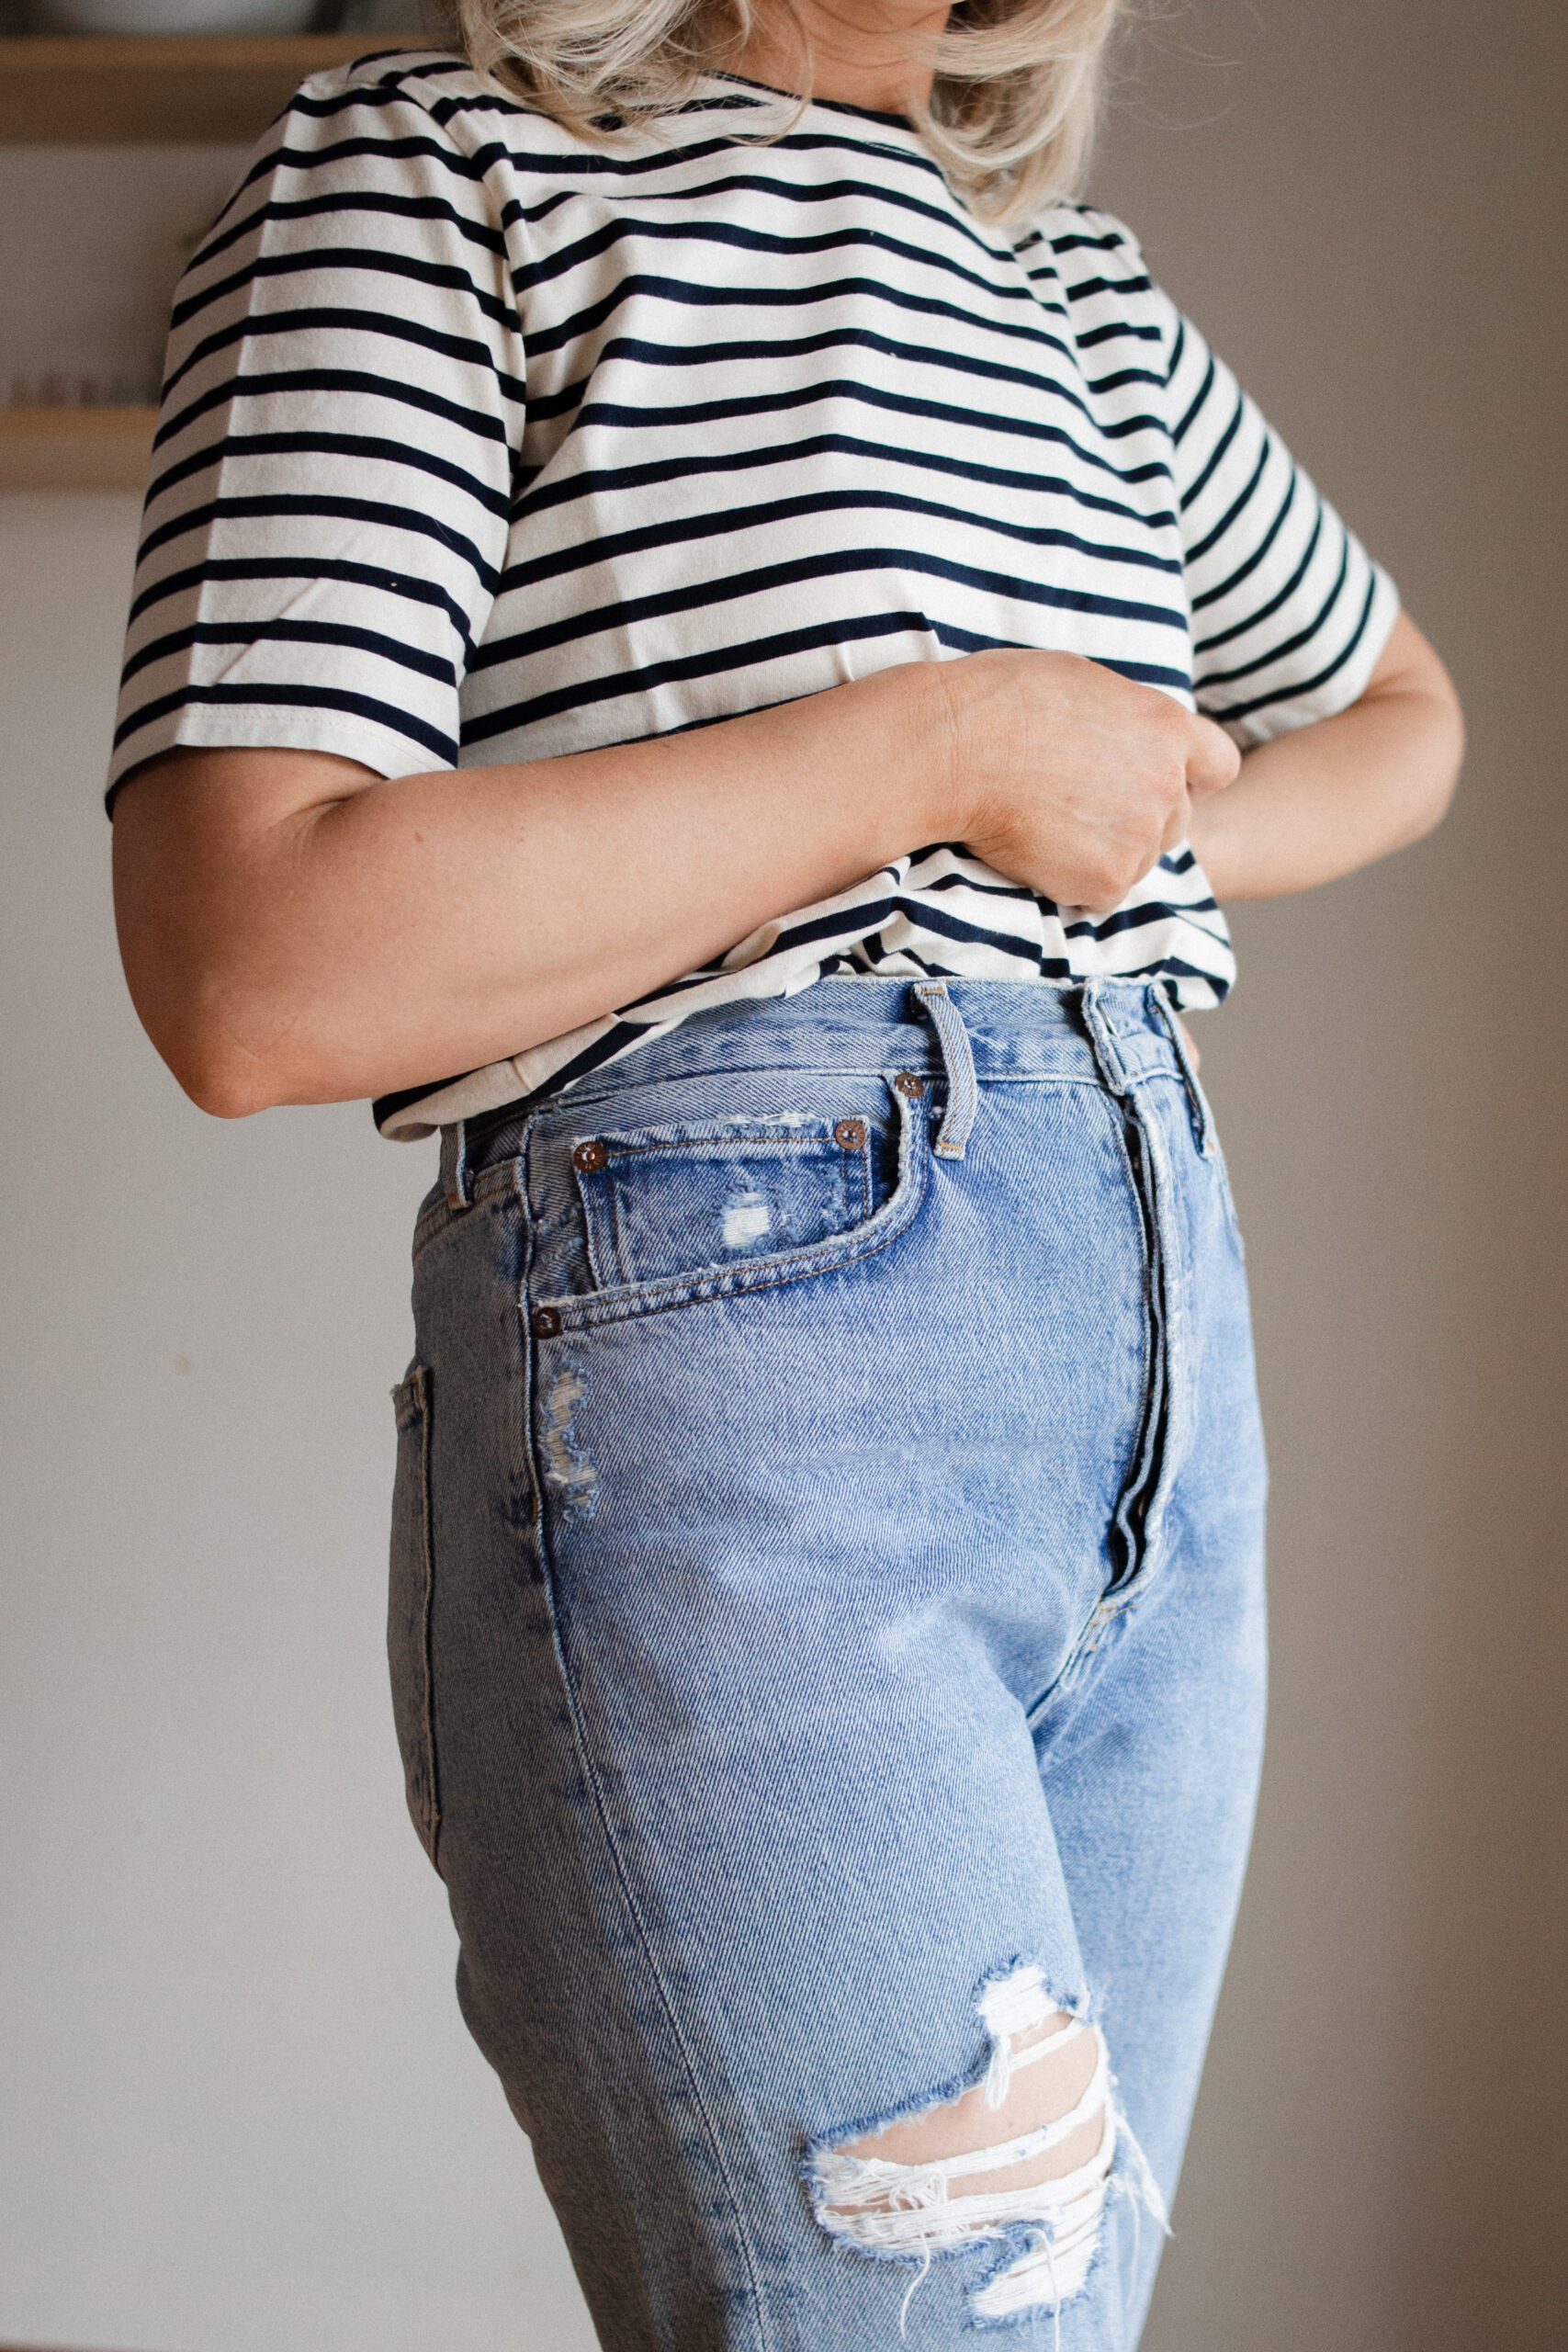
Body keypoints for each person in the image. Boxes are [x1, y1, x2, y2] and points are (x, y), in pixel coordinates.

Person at [107, 2, 1462, 2343]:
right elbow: (255, 955)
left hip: (1153, 1352)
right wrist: (939, 749)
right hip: (753, 1349)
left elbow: (1399, 720)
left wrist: (1119, 829)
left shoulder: (1072, 289)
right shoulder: (443, 167)